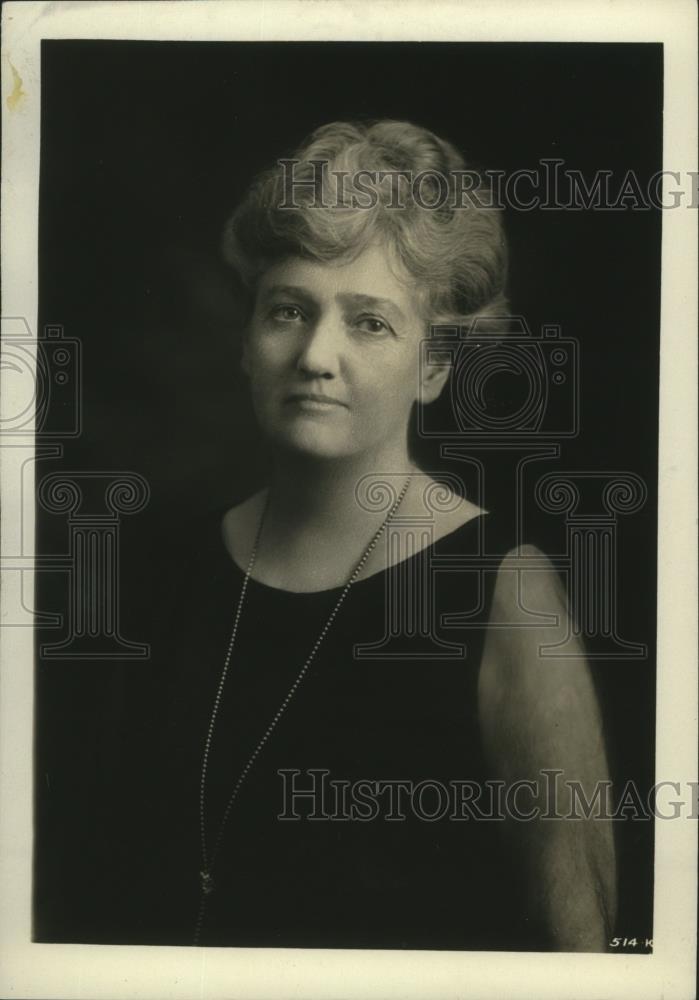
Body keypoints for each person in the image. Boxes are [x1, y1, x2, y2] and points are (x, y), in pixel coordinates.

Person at [35, 119, 617, 951]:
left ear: (435, 367)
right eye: (288, 310)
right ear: (247, 341)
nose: (314, 354)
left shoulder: (501, 591)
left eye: (369, 322)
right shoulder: (158, 571)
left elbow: (578, 948)